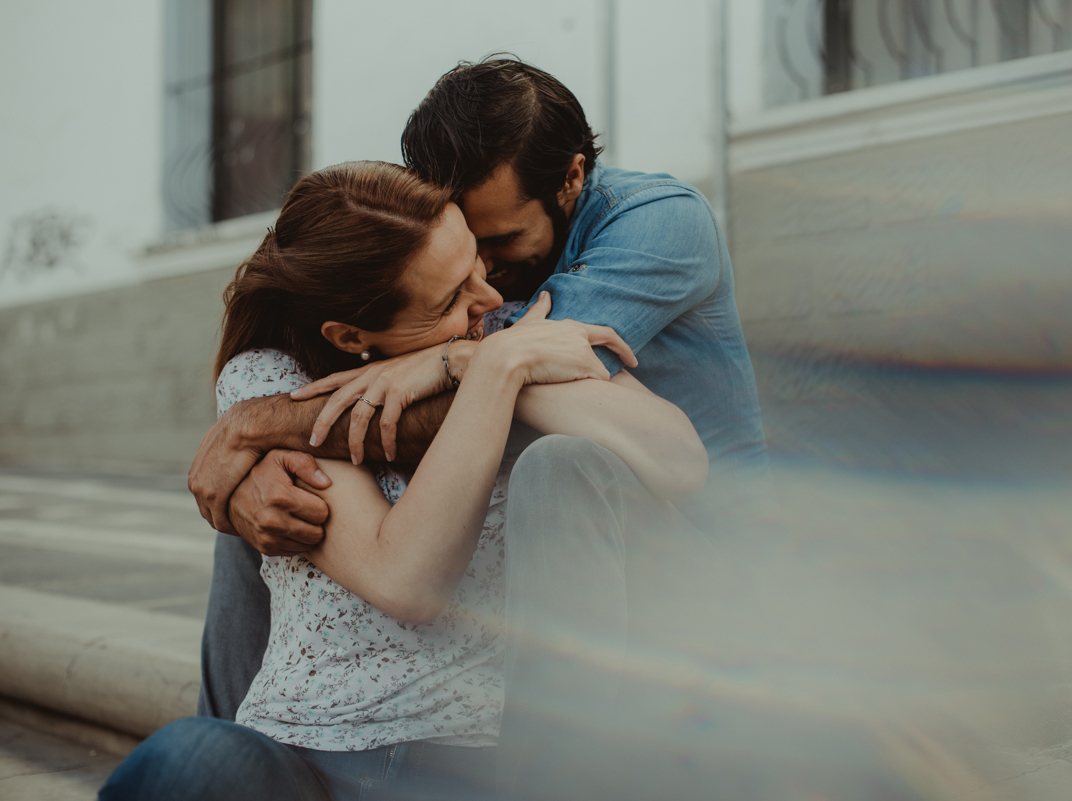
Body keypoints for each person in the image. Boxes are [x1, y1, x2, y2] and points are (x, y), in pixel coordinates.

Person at [186, 58, 773, 797]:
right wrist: (250, 458)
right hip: (574, 522)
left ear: (569, 180)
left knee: (556, 464)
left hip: (694, 537)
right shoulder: (459, 265)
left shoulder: (658, 224)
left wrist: (256, 424)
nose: (490, 280)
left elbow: (515, 389)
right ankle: (236, 741)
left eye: (497, 241)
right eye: (464, 240)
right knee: (271, 503)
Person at [101, 161, 706, 800]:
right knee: (183, 761)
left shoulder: (512, 330)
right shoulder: (274, 379)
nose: (491, 299)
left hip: (469, 764)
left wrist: (482, 357)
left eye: (476, 261)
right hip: (301, 755)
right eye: (449, 300)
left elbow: (678, 459)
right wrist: (493, 370)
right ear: (350, 335)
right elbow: (408, 579)